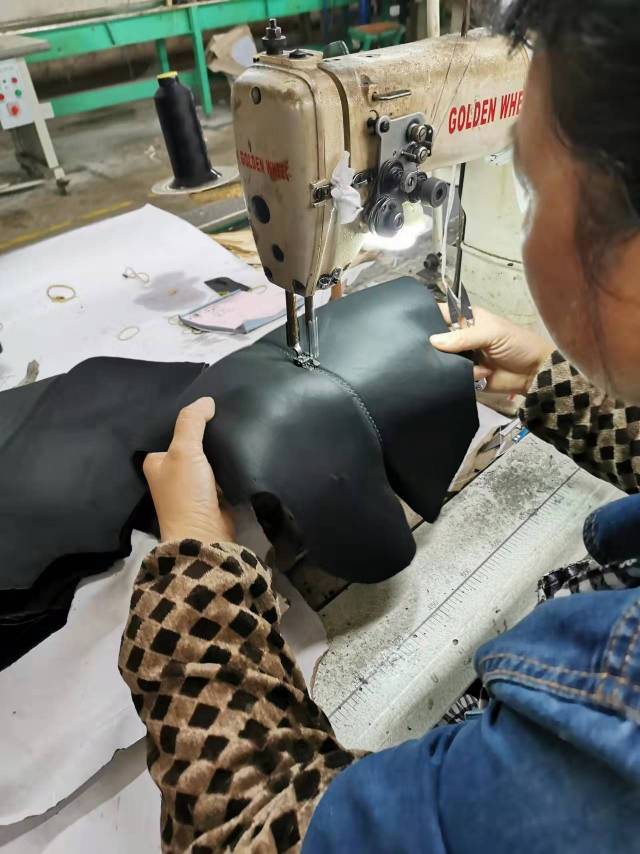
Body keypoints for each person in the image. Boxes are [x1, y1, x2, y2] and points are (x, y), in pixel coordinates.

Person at [118, 1, 640, 850]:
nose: (529, 210)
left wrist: (197, 582)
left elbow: (263, 832)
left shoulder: (614, 725)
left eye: (535, 187)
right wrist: (559, 388)